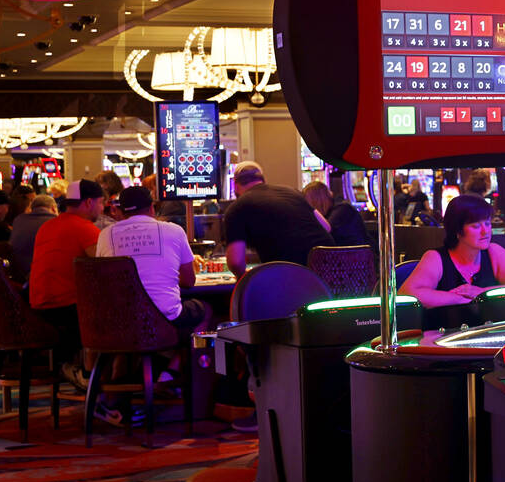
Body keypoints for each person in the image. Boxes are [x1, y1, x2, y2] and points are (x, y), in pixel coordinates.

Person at [95, 185, 212, 340]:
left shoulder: (105, 235)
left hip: (121, 319)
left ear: (122, 212)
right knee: (207, 309)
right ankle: (179, 361)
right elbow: (189, 281)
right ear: (152, 208)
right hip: (167, 317)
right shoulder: (175, 231)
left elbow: (101, 280)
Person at [28, 179, 106, 384]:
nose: (103, 207)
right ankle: (93, 380)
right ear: (88, 202)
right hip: (65, 311)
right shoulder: (85, 228)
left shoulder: (48, 226)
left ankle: (80, 370)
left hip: (37, 309)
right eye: (101, 202)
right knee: (116, 318)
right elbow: (108, 270)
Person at [399, 193, 505, 307]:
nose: (485, 232)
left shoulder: (494, 252)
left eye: (487, 224)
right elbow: (406, 294)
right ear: (457, 230)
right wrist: (460, 299)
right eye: (476, 226)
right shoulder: (436, 258)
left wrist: (482, 292)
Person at [223, 161, 334, 279]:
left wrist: (244, 279)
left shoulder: (236, 208)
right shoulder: (292, 192)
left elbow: (235, 262)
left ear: (235, 185)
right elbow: (326, 227)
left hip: (293, 274)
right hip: (332, 267)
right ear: (262, 180)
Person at [303, 181, 371, 248]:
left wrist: (313, 212)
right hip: (346, 254)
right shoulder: (332, 210)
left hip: (359, 255)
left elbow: (325, 232)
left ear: (317, 201)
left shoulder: (342, 209)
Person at [8, 194, 58, 278]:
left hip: (16, 274)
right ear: (53, 208)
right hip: (41, 276)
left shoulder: (18, 220)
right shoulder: (56, 222)